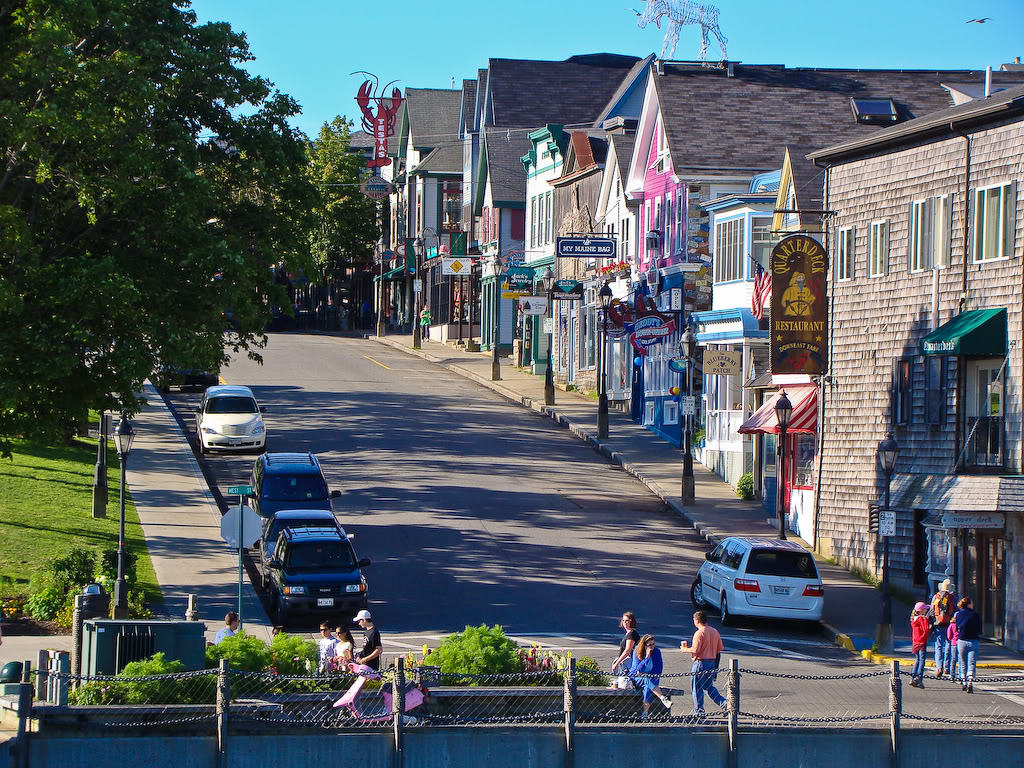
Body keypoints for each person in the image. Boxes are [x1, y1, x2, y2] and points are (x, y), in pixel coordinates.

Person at [681, 610, 726, 716]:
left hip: (700, 663)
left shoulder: (699, 633)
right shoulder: (715, 632)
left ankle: (699, 711)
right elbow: (719, 649)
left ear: (697, 620)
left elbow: (695, 650)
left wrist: (685, 649)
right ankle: (723, 703)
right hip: (712, 662)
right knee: (709, 687)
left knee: (697, 688)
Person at [629, 634, 672, 718]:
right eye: (649, 645)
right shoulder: (637, 651)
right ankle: (663, 698)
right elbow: (637, 670)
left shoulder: (656, 652)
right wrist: (647, 657)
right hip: (637, 679)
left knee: (647, 687)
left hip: (651, 679)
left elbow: (658, 669)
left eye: (653, 644)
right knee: (646, 679)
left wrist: (647, 674)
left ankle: (645, 714)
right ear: (644, 645)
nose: (652, 646)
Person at [929, 578, 957, 679]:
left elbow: (932, 610)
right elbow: (956, 611)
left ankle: (939, 666)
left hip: (937, 624)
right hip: (949, 624)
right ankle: (947, 667)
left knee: (939, 646)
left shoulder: (936, 596)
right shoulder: (953, 598)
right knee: (948, 644)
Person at [955, 597, 982, 693]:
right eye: (972, 603)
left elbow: (957, 627)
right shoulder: (975, 614)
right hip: (973, 640)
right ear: (969, 604)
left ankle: (964, 682)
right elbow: (979, 628)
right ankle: (970, 681)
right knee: (971, 662)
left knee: (962, 662)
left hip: (961, 640)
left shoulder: (958, 614)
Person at [610, 612, 640, 676]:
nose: (625, 622)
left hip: (630, 663)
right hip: (627, 663)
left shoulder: (631, 634)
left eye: (627, 621)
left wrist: (617, 663)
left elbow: (627, 651)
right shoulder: (629, 633)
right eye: (623, 620)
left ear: (631, 621)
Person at [909, 602, 930, 688]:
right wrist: (927, 621)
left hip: (915, 641)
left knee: (917, 660)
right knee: (922, 660)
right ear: (921, 610)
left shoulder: (914, 618)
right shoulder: (922, 619)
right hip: (922, 641)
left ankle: (913, 677)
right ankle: (919, 678)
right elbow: (926, 629)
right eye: (925, 609)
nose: (926, 610)